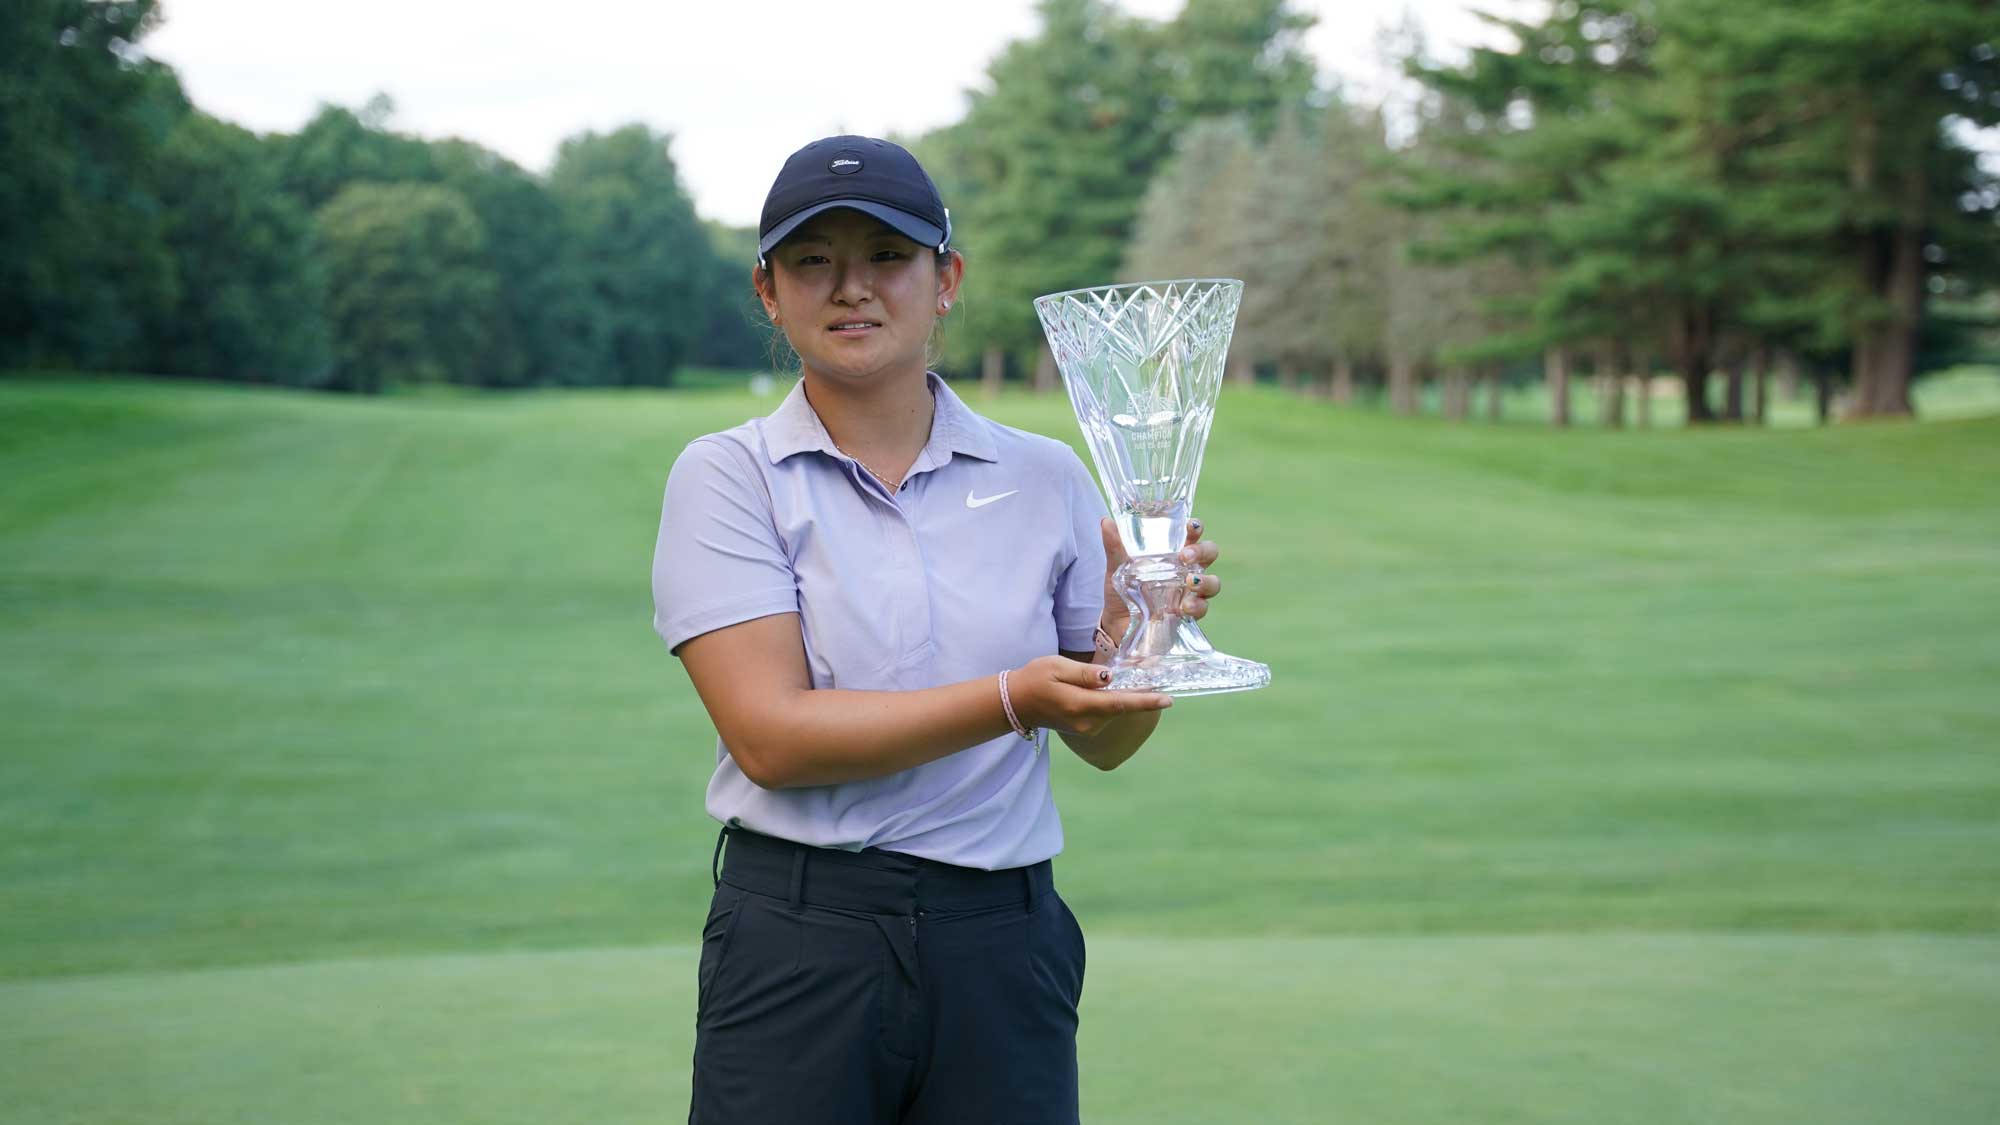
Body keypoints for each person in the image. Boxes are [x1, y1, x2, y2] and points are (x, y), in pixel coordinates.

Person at [649, 135, 1227, 1125]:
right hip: (799, 941)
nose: (850, 288)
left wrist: (1141, 634)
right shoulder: (727, 475)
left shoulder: (1044, 474)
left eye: (885, 256)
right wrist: (1012, 700)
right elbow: (771, 740)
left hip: (1002, 944)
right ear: (768, 293)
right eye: (812, 261)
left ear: (944, 279)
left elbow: (1106, 742)